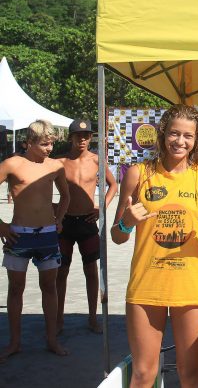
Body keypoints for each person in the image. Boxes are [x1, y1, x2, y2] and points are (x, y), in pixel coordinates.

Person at [110, 105, 198, 387]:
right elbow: (117, 235)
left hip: (192, 286)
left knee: (190, 373)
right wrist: (126, 222)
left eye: (188, 136)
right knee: (142, 373)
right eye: (174, 133)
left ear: (197, 139)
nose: (180, 141)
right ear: (163, 134)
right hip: (146, 285)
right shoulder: (138, 174)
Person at [0, 120, 70, 362]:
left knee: (49, 287)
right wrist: (2, 225)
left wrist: (59, 219)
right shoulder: (12, 164)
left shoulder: (55, 166)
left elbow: (66, 196)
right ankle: (14, 343)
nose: (49, 148)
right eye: (44, 144)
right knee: (16, 288)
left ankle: (52, 339)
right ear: (28, 143)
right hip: (19, 234)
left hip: (48, 234)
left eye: (51, 143)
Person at [56, 119, 118, 334]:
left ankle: (93, 318)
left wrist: (102, 207)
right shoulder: (59, 162)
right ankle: (58, 319)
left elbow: (113, 185)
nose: (82, 139)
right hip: (64, 223)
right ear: (70, 137)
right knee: (60, 272)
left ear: (91, 137)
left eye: (86, 136)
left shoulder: (96, 160)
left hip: (87, 222)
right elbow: (42, 188)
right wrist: (53, 208)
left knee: (91, 272)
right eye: (77, 136)